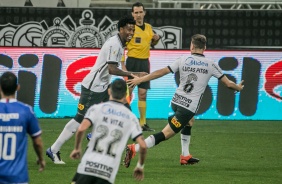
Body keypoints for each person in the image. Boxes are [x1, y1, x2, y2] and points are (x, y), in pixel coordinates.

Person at [124, 34, 244, 167]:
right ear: (204, 47)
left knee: (189, 122)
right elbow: (228, 84)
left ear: (191, 46)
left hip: (176, 101)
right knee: (166, 134)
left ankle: (185, 156)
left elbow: (161, 72)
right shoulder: (211, 64)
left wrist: (140, 79)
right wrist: (238, 87)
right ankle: (134, 148)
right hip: (187, 107)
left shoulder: (183, 59)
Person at [46, 16, 147, 164]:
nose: (131, 32)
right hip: (92, 88)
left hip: (102, 87)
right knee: (79, 119)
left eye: (133, 29)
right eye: (128, 29)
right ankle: (53, 150)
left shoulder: (120, 43)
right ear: (121, 29)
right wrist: (132, 74)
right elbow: (111, 69)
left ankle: (93, 135)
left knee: (117, 109)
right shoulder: (115, 44)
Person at [70, 79, 147, 184]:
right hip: (107, 171)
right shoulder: (131, 117)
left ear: (109, 91)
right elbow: (142, 145)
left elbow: (81, 129)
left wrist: (77, 148)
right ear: (125, 94)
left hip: (88, 165)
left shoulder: (96, 109)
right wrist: (140, 166)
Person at [121, 2, 160, 131]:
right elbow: (122, 46)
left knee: (143, 94)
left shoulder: (148, 27)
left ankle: (142, 123)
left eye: (140, 12)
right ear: (132, 14)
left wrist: (156, 38)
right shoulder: (130, 28)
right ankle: (124, 121)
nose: (138, 15)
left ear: (144, 13)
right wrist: (123, 65)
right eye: (136, 12)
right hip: (132, 62)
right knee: (128, 93)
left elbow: (153, 41)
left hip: (144, 63)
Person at [0, 71, 45, 183]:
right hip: (17, 177)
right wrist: (41, 158)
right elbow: (38, 142)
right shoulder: (26, 110)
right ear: (17, 87)